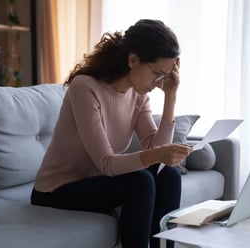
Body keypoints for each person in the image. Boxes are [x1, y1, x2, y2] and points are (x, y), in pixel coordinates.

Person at [30, 19, 193, 248]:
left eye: (164, 77)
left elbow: (156, 154)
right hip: (56, 191)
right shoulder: (85, 88)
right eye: (157, 74)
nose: (158, 84)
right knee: (141, 181)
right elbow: (107, 163)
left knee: (169, 175)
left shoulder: (138, 96)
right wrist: (158, 155)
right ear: (133, 59)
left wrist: (171, 96)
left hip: (98, 182)